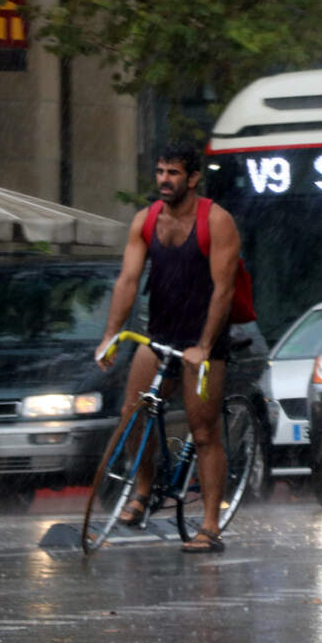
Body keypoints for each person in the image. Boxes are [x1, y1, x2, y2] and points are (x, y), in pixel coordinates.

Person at [97, 140, 241, 553]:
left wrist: (204, 345)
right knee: (132, 414)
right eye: (160, 172)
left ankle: (210, 525)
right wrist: (110, 335)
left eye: (173, 173)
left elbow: (223, 289)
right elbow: (127, 280)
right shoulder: (145, 221)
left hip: (203, 340)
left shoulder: (216, 221)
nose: (164, 180)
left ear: (193, 178)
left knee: (204, 431)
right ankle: (142, 493)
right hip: (158, 334)